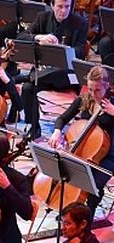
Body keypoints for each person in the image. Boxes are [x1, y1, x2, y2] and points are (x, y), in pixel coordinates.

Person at [46, 66, 114, 221]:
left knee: (93, 185)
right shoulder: (85, 99)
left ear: (107, 86)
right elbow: (62, 119)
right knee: (65, 173)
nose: (93, 94)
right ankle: (70, 210)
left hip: (109, 156)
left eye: (97, 90)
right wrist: (57, 131)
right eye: (90, 89)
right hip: (83, 151)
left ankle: (86, 219)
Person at [16, 0, 88, 139]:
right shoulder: (42, 17)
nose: (63, 11)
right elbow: (21, 37)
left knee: (52, 74)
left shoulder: (80, 22)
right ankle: (34, 127)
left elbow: (80, 52)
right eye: (60, 7)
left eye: (67, 7)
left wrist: (63, 50)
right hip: (44, 73)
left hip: (67, 75)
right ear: (52, 5)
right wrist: (39, 37)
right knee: (27, 88)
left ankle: (26, 76)